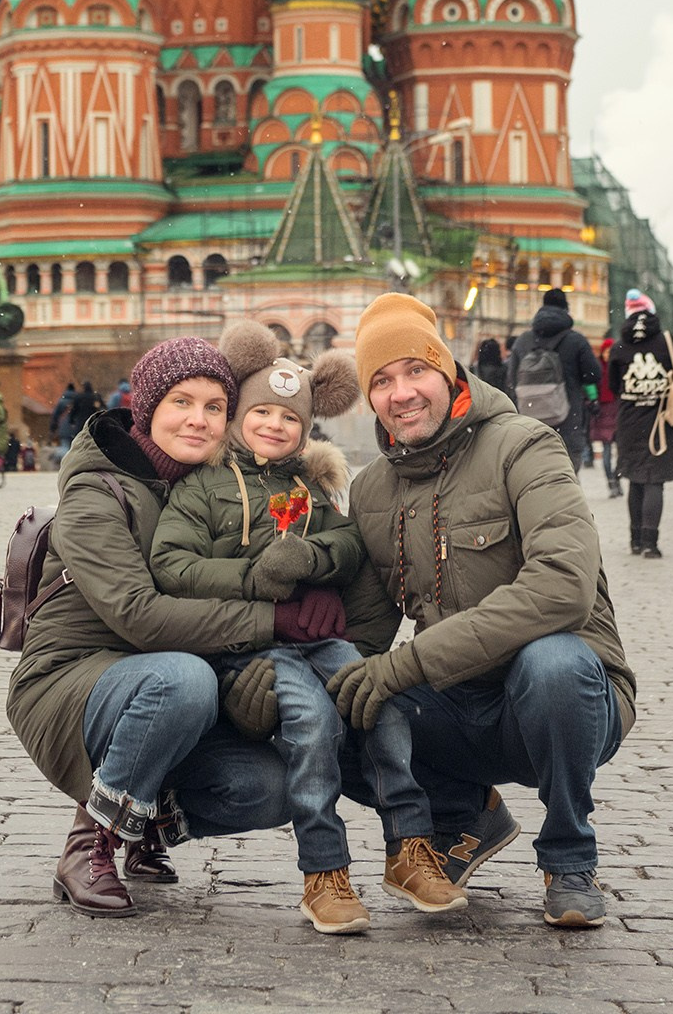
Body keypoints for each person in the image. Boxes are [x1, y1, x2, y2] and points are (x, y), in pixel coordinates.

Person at [320, 291, 634, 933]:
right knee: (338, 705)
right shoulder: (373, 488)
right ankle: (463, 814)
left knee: (552, 660)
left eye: (415, 371)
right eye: (380, 381)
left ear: (450, 372)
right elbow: (366, 634)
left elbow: (562, 589)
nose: (401, 392)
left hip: (562, 697)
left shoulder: (526, 446)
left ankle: (570, 856)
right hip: (457, 704)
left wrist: (407, 665)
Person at [151, 321, 465, 935]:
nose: (275, 425)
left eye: (289, 418)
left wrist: (313, 561)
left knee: (382, 705)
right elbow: (170, 567)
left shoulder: (307, 486)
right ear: (240, 414)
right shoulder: (201, 490)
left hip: (321, 639)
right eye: (262, 411)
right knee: (313, 725)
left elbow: (346, 545)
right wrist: (254, 579)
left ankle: (410, 846)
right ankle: (325, 871)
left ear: (307, 427)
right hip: (254, 648)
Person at [6, 337, 314, 919]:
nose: (198, 420)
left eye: (215, 407)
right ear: (148, 407)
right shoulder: (96, 490)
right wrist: (272, 621)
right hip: (69, 682)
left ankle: (148, 823)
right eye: (181, 401)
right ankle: (90, 844)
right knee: (182, 679)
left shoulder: (222, 488)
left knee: (276, 786)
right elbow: (138, 615)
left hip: (168, 685)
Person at [607, 290, 673, 559]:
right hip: (662, 421)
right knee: (655, 480)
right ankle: (650, 543)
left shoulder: (619, 347)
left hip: (630, 422)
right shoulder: (667, 342)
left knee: (635, 480)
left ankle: (634, 540)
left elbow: (613, 386)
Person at [506, 288, 600, 472]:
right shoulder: (576, 341)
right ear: (566, 308)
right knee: (566, 478)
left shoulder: (523, 341)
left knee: (533, 477)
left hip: (529, 423)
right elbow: (594, 374)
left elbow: (511, 381)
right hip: (568, 420)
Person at [590, 337, 620, 498]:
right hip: (603, 412)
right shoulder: (597, 368)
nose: (608, 354)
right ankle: (611, 481)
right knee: (607, 450)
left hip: (617, 411)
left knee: (622, 451)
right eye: (606, 351)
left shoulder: (618, 368)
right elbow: (590, 388)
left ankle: (617, 478)